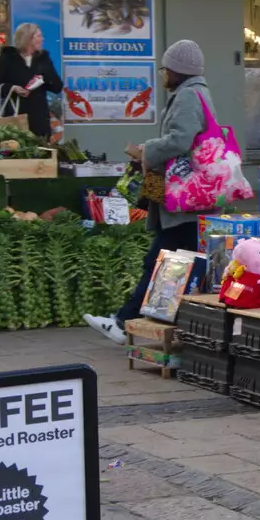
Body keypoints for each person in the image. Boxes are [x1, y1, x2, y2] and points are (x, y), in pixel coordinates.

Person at [83, 41, 213, 344]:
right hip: (189, 196)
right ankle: (141, 320)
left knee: (160, 259)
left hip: (184, 198)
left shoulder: (188, 96)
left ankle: (124, 321)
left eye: (166, 68)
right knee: (169, 260)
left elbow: (181, 140)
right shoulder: (192, 93)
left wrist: (147, 150)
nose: (163, 74)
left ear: (177, 71)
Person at [0, 22, 62, 139]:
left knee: (41, 150)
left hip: (39, 116)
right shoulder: (8, 57)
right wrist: (13, 88)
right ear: (28, 38)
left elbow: (57, 87)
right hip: (15, 116)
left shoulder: (43, 58)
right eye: (39, 36)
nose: (42, 39)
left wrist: (45, 76)